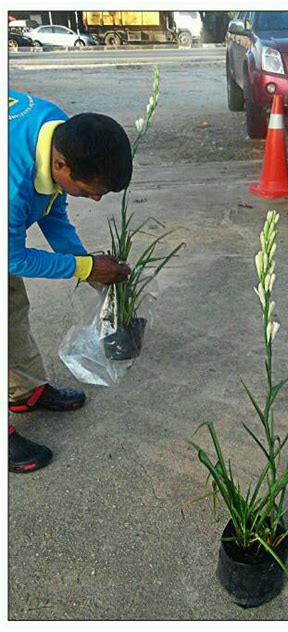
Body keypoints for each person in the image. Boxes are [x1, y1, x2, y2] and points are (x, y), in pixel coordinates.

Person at [8, 89, 133, 473]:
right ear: (60, 164)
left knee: (10, 305)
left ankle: (24, 392)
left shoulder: (59, 130)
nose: (95, 199)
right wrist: (84, 269)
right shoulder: (11, 178)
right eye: (92, 190)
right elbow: (10, 256)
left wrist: (84, 262)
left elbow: (51, 209)